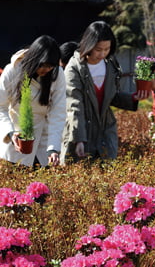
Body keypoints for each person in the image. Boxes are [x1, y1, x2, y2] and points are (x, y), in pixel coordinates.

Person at [60, 21, 148, 164]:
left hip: (105, 130)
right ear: (88, 45)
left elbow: (110, 97)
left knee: (107, 175)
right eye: (98, 49)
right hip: (82, 128)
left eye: (107, 49)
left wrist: (133, 98)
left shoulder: (110, 63)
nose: (102, 54)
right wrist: (79, 139)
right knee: (80, 178)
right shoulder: (74, 68)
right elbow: (74, 105)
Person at [0, 35, 66, 167]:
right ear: (34, 59)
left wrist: (53, 147)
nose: (47, 70)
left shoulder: (58, 73)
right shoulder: (12, 70)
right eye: (44, 66)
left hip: (43, 145)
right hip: (15, 142)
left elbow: (58, 113)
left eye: (51, 67)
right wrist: (10, 132)